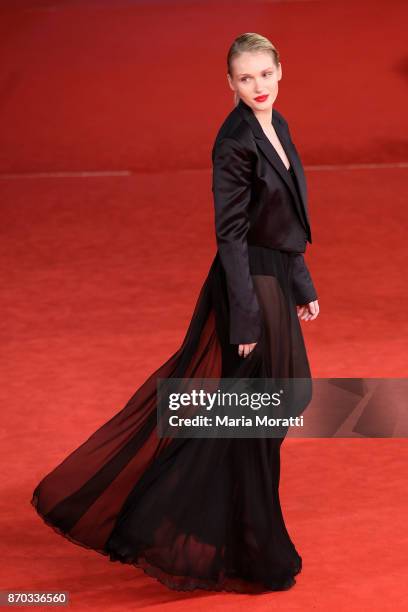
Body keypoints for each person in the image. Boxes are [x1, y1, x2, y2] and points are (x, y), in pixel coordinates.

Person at [31, 32, 319, 594]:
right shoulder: (234, 141)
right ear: (229, 84)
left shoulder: (277, 124)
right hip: (250, 283)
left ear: (281, 71)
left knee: (267, 406)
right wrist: (245, 318)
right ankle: (224, 533)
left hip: (275, 274)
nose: (257, 87)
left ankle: (223, 520)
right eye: (245, 78)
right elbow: (231, 235)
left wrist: (301, 281)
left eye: (264, 74)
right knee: (261, 406)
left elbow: (284, 218)